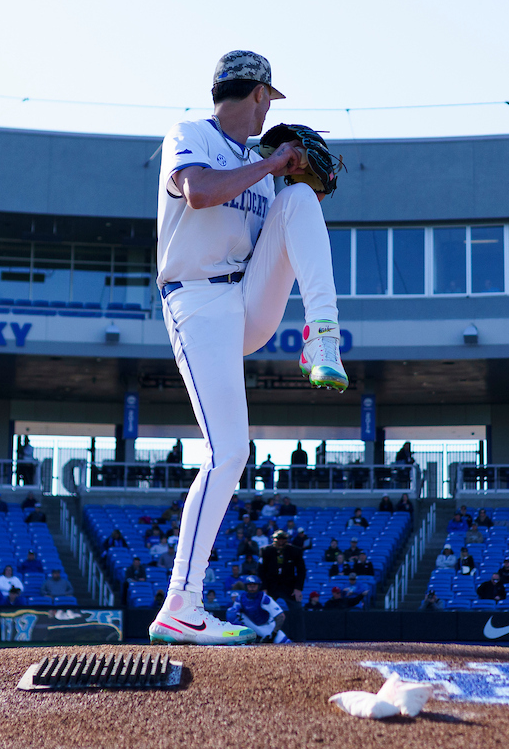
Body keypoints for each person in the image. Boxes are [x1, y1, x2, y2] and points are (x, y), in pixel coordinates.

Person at [144, 60, 345, 643]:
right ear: (257, 94)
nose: (269, 112)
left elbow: (278, 240)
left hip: (246, 299)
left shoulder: (262, 171)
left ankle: (323, 336)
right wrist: (272, 163)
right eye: (268, 100)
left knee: (299, 201)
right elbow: (200, 192)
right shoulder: (191, 134)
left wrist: (293, 178)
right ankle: (181, 604)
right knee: (229, 452)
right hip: (197, 301)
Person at [260, 530, 305, 603]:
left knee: (296, 607)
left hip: (289, 587)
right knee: (265, 607)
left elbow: (301, 571)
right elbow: (261, 571)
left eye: (283, 539)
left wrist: (298, 588)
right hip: (270, 586)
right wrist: (263, 588)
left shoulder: (295, 551)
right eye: (278, 539)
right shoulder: (265, 551)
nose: (280, 542)